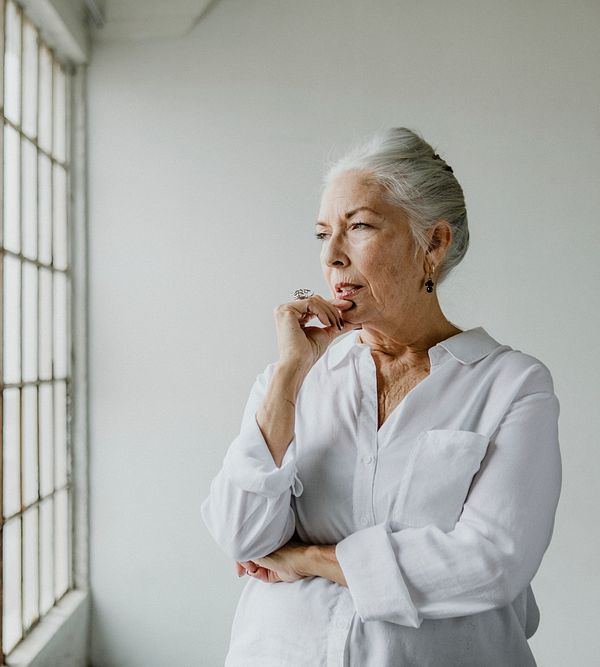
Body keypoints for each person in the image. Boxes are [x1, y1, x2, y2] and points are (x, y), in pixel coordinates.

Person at [200, 127, 561, 666]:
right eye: (323, 234)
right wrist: (289, 376)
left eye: (359, 227)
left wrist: (314, 559)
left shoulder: (511, 385)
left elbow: (491, 563)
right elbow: (240, 535)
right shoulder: (295, 380)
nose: (334, 257)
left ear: (433, 244)